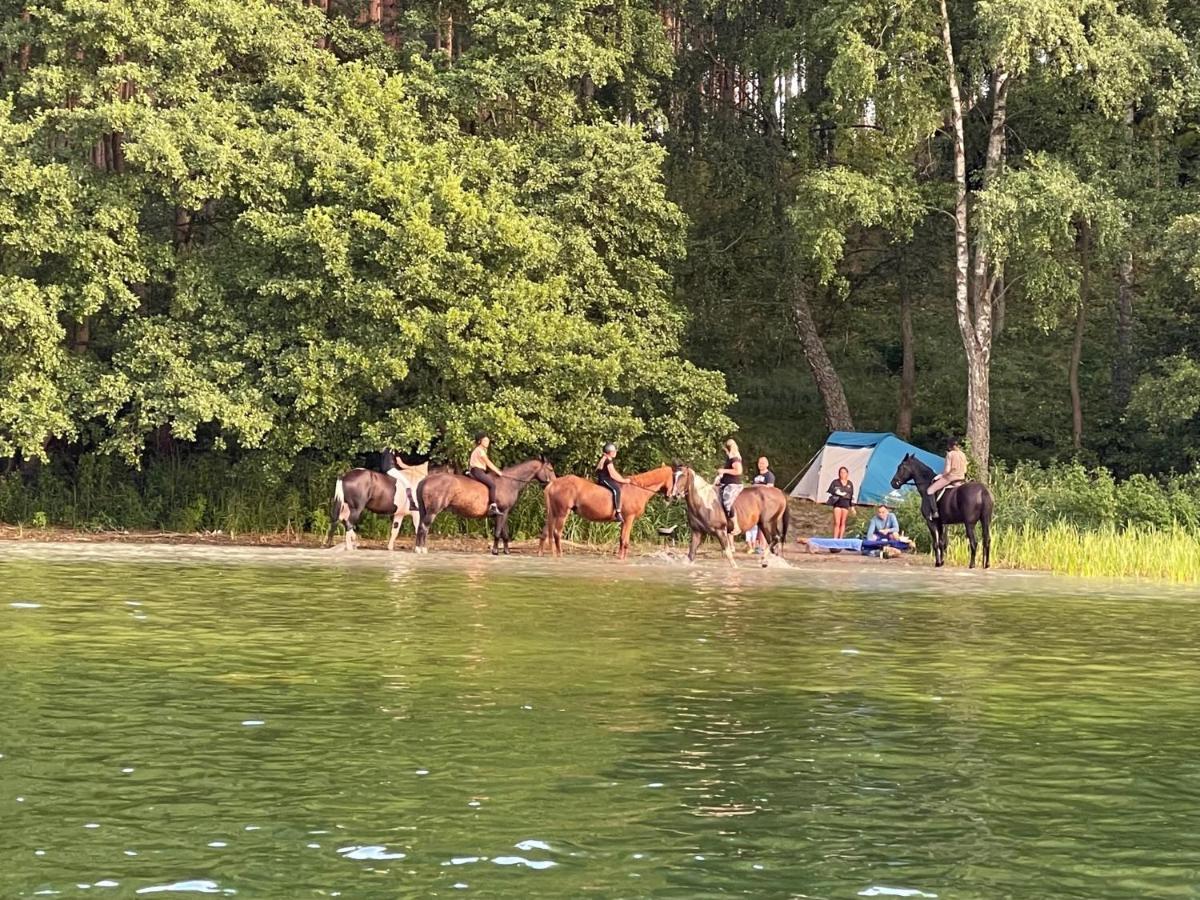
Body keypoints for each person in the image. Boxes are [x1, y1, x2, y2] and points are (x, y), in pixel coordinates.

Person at [926, 438, 969, 519]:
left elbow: (947, 470)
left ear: (950, 446)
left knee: (930, 490)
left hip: (951, 478)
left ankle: (935, 512)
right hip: (961, 478)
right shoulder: (963, 454)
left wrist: (941, 475)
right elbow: (965, 470)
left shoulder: (950, 454)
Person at [744, 457, 775, 552]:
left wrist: (758, 486)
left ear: (767, 464)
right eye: (759, 463)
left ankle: (763, 546)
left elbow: (770, 487)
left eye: (762, 463)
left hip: (764, 502)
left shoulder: (769, 475)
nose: (760, 465)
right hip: (754, 503)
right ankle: (753, 544)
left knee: (763, 525)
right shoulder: (756, 476)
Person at [467, 432, 503, 516]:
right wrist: (498, 472)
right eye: (485, 440)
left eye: (488, 440)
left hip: (478, 470)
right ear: (480, 441)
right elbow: (488, 463)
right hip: (477, 471)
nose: (488, 442)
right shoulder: (480, 450)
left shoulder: (480, 450)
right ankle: (493, 507)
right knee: (492, 485)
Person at [713, 438, 744, 531]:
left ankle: (736, 525)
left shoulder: (735, 458)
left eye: (725, 450)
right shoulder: (729, 459)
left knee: (727, 502)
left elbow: (738, 471)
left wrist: (724, 470)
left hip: (732, 484)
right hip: (724, 483)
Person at [595, 442, 630, 523]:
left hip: (606, 478)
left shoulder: (606, 458)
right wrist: (624, 481)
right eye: (615, 451)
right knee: (616, 490)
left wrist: (621, 479)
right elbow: (612, 474)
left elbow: (614, 472)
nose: (616, 453)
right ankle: (617, 512)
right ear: (611, 452)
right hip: (604, 479)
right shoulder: (608, 460)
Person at [381, 448, 418, 518]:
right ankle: (412, 504)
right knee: (407, 483)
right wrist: (412, 468)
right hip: (390, 469)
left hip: (383, 469)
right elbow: (400, 463)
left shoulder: (385, 448)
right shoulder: (394, 449)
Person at [827, 466, 854, 539]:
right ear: (839, 474)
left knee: (843, 522)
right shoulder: (835, 482)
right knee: (837, 522)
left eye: (844, 472)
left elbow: (851, 495)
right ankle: (835, 538)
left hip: (846, 504)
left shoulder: (850, 483)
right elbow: (830, 490)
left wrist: (852, 507)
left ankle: (840, 538)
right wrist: (837, 492)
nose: (842, 474)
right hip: (837, 503)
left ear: (847, 474)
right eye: (841, 472)